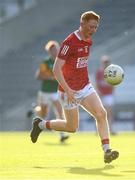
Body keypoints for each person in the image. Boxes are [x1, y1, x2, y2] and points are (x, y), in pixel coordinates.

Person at [30, 11, 119, 163]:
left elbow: (78, 65)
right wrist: (69, 90)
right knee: (72, 127)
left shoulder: (88, 40)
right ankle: (40, 124)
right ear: (82, 24)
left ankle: (107, 151)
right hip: (67, 90)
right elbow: (56, 69)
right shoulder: (69, 43)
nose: (93, 30)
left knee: (101, 113)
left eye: (96, 27)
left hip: (84, 86)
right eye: (91, 27)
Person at [34, 40, 69, 143]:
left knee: (59, 111)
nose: (54, 51)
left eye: (56, 49)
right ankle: (34, 110)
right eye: (52, 50)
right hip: (45, 91)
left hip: (56, 91)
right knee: (43, 113)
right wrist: (51, 77)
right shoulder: (45, 62)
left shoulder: (61, 61)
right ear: (49, 51)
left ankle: (62, 135)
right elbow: (38, 76)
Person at [96, 55, 116, 135]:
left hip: (108, 94)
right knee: (99, 113)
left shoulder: (112, 72)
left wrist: (112, 92)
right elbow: (97, 83)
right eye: (104, 62)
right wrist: (98, 93)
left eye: (107, 62)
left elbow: (114, 83)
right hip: (101, 95)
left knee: (109, 113)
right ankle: (99, 130)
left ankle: (110, 129)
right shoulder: (99, 72)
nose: (106, 64)